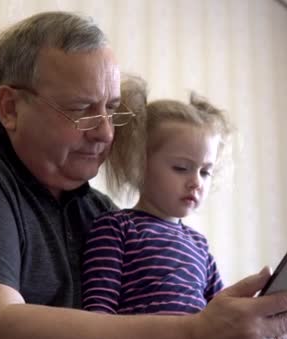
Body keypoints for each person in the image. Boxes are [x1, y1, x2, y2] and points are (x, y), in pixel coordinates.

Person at [0, 11, 287, 339]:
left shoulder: (99, 213)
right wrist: (193, 332)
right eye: (83, 110)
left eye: (112, 109)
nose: (106, 132)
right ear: (10, 108)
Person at [82, 77, 228, 314]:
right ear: (139, 163)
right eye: (181, 168)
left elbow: (224, 313)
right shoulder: (117, 229)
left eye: (205, 172)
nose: (196, 182)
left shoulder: (199, 246)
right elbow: (98, 312)